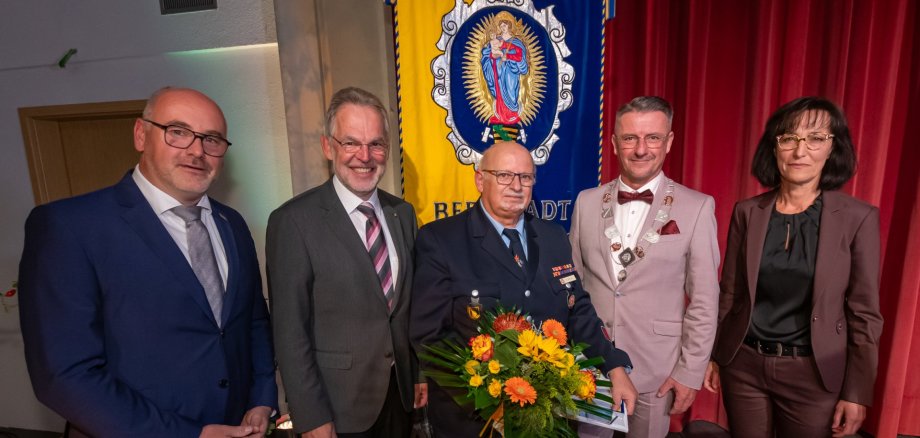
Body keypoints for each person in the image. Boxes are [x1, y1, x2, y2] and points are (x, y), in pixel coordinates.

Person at [18, 87, 278, 437]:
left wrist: (262, 398)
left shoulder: (232, 224)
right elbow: (64, 375)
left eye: (212, 139)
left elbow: (253, 322)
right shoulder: (69, 226)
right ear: (141, 135)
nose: (197, 150)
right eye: (179, 132)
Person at [411, 141, 638, 436]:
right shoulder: (442, 240)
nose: (516, 185)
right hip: (476, 420)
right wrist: (490, 399)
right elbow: (429, 338)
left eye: (525, 177)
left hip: (549, 415)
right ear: (481, 180)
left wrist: (614, 366)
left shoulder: (553, 237)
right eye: (504, 175)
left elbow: (578, 308)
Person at [703, 97, 883, 438]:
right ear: (775, 148)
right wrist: (715, 356)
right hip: (743, 367)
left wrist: (856, 392)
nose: (801, 151)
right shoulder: (748, 211)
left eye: (815, 138)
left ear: (833, 148)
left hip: (813, 374)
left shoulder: (858, 218)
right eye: (789, 138)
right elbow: (731, 291)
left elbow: (864, 314)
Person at [267, 87, 425, 437]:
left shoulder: (403, 213)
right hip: (336, 411)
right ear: (328, 147)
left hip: (399, 400)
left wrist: (418, 374)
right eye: (351, 143)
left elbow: (409, 309)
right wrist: (310, 417)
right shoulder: (293, 221)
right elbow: (289, 331)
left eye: (376, 144)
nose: (364, 156)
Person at [570, 96, 720, 438]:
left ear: (668, 142)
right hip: (592, 365)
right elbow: (573, 287)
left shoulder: (697, 207)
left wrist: (689, 371)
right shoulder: (586, 201)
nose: (641, 149)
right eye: (630, 138)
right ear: (614, 143)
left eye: (652, 137)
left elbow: (705, 300)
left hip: (659, 370)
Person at [481, 11, 528, 125]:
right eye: (501, 25)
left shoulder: (516, 42)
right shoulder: (496, 40)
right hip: (497, 71)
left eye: (505, 25)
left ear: (509, 26)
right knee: (499, 92)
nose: (503, 27)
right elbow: (486, 54)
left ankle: (512, 116)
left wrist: (508, 58)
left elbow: (521, 59)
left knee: (511, 92)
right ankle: (501, 117)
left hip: (511, 73)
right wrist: (493, 55)